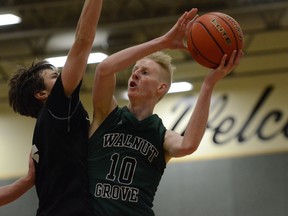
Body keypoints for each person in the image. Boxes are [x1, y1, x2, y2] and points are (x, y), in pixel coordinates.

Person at [88, 8, 243, 216]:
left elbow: (188, 145)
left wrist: (208, 84)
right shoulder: (106, 114)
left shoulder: (161, 136)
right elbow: (104, 69)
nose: (135, 74)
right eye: (135, 69)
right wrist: (163, 41)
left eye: (145, 72)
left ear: (161, 88)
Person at [0, 0, 103, 215]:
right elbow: (83, 40)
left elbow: (31, 180)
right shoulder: (56, 108)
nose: (64, 77)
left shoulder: (48, 126)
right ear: (42, 94)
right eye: (55, 76)